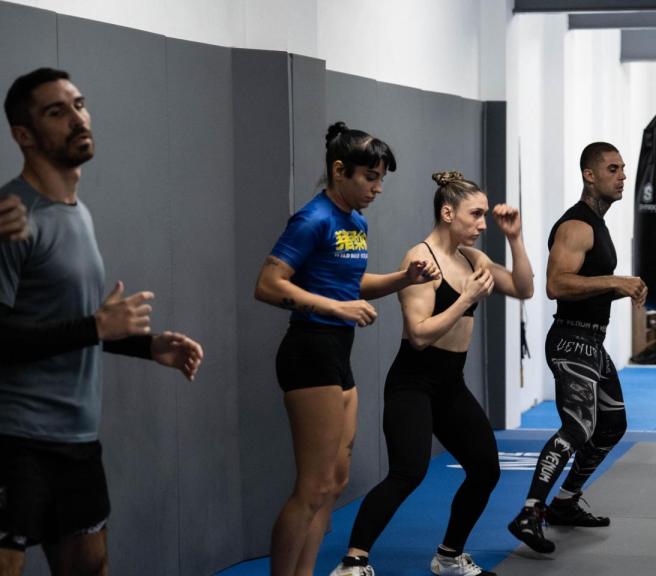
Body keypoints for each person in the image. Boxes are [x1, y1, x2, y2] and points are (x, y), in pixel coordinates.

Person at [0, 67, 204, 576]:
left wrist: (146, 345)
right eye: (56, 111)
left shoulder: (77, 213)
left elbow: (71, 323)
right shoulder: (12, 217)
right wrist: (94, 329)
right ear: (23, 135)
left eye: (79, 104)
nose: (76, 118)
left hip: (76, 439)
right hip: (15, 438)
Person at [254, 122, 440, 576]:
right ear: (340, 171)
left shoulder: (356, 223)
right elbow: (268, 284)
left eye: (382, 180)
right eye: (370, 178)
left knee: (335, 482)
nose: (377, 188)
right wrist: (334, 308)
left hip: (338, 352)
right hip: (309, 350)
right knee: (312, 486)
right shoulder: (312, 219)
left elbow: (350, 283)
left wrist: (402, 279)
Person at [334, 171, 533, 576]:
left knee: (485, 469)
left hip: (450, 383)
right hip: (414, 380)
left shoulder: (471, 258)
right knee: (408, 471)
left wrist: (514, 237)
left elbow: (524, 287)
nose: (482, 224)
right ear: (447, 212)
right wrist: (467, 298)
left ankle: (449, 555)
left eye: (484, 216)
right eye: (475, 215)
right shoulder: (420, 260)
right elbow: (420, 334)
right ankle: (353, 560)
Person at [507, 142, 646, 554]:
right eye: (613, 168)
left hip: (591, 342)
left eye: (623, 169)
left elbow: (588, 284)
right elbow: (557, 285)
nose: (622, 176)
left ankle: (565, 502)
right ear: (589, 174)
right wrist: (615, 281)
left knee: (611, 426)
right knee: (578, 427)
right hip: (570, 340)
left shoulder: (597, 226)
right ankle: (530, 512)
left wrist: (625, 288)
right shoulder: (577, 226)